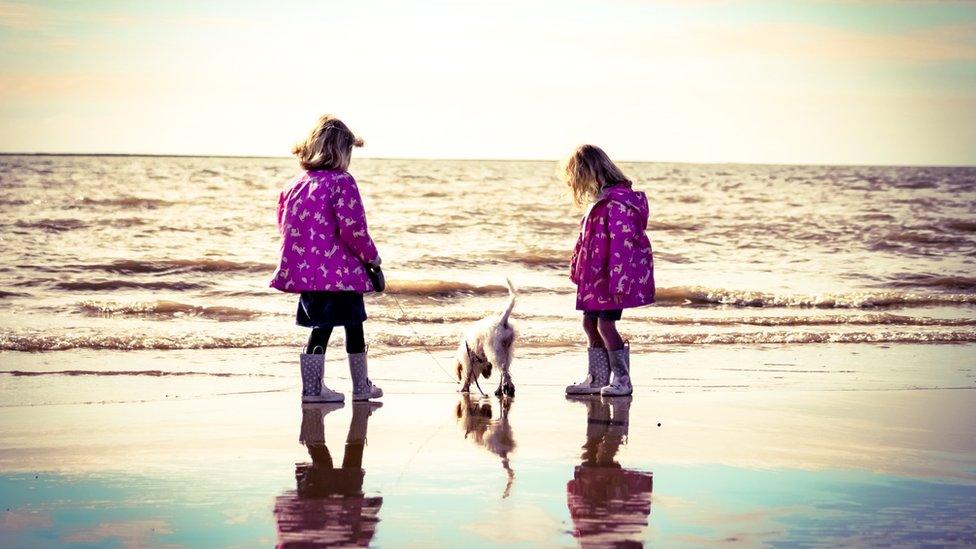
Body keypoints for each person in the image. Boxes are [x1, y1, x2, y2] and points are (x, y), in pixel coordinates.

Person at [271, 114, 383, 402]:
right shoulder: (343, 182)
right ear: (340, 150)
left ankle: (312, 389)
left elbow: (285, 228)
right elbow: (354, 229)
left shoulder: (294, 184)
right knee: (353, 325)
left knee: (320, 329)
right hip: (342, 275)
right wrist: (372, 258)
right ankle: (360, 387)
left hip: (309, 275)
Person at [563, 145, 655, 397]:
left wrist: (621, 281)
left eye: (577, 176)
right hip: (594, 278)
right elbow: (585, 241)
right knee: (589, 323)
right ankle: (597, 378)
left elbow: (623, 246)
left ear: (591, 172)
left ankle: (622, 380)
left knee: (606, 325)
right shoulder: (601, 201)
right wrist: (577, 270)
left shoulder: (619, 203)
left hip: (614, 278)